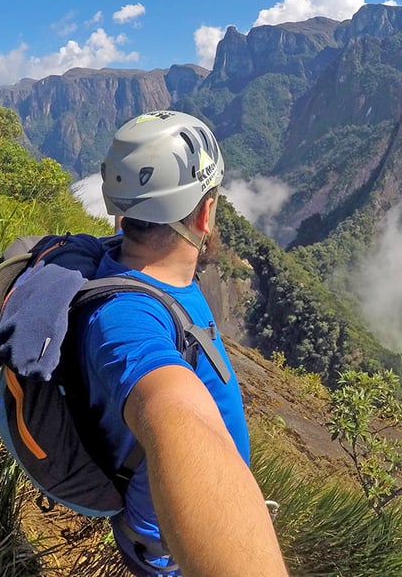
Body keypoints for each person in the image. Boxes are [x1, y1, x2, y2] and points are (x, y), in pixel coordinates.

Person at [76, 110, 288, 576]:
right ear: (206, 211)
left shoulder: (129, 269)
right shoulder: (128, 321)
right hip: (169, 557)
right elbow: (174, 413)